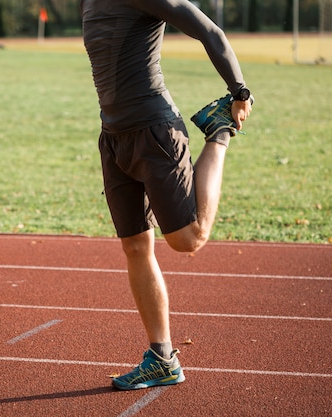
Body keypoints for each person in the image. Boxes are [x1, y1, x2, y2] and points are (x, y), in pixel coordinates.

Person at [80, 0, 252, 390]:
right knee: (136, 247)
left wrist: (239, 90)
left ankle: (220, 131)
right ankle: (162, 359)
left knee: (188, 238)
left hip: (155, 133)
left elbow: (210, 32)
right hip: (113, 138)